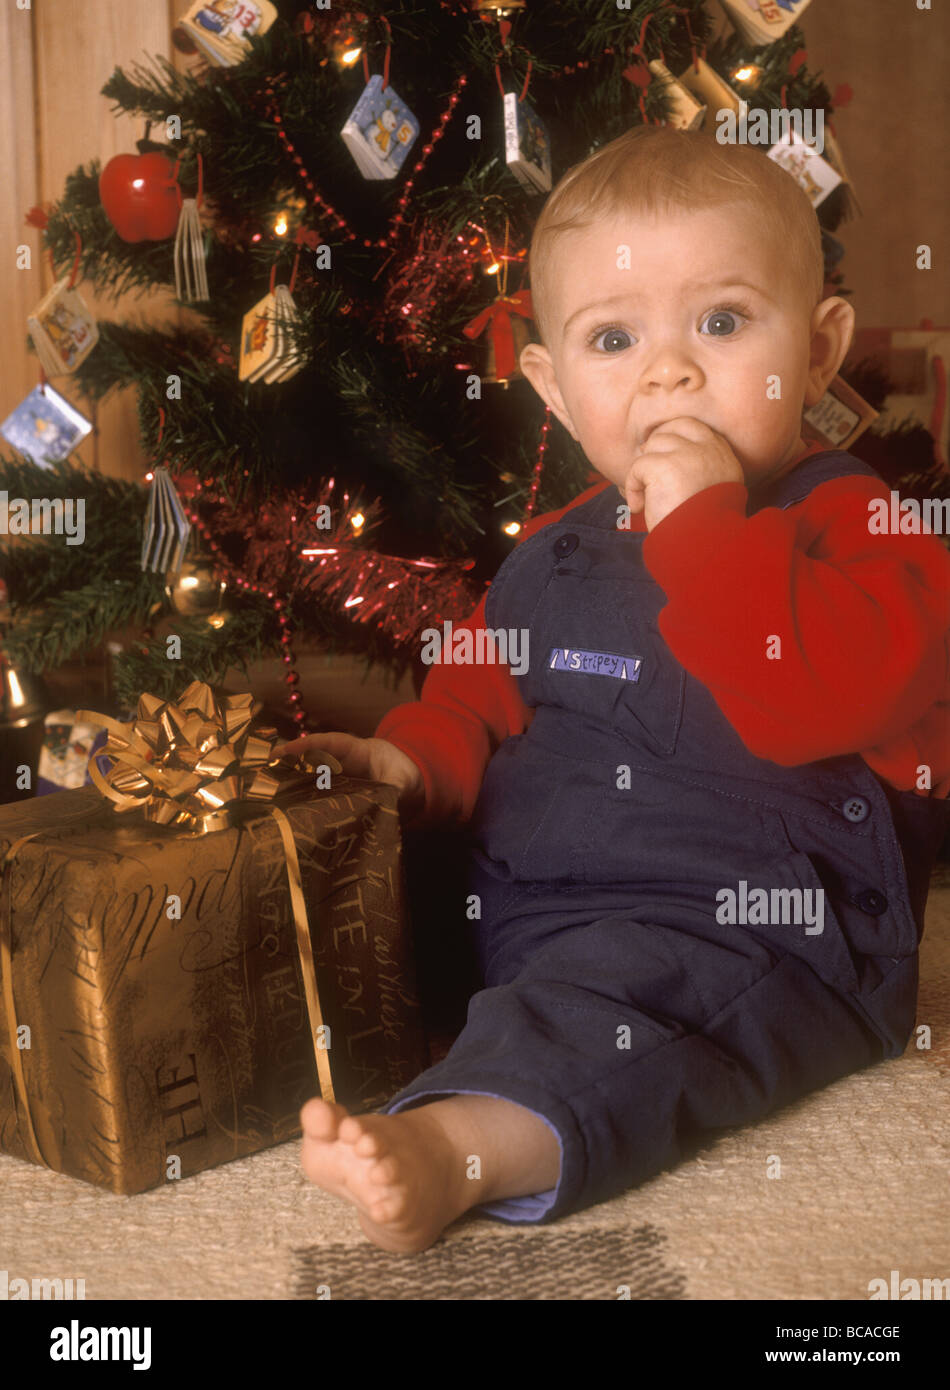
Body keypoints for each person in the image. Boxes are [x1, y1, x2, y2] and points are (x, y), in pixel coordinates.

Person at [274, 126, 950, 1253]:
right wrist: (409, 760)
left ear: (820, 347)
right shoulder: (553, 549)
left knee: (620, 1012)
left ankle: (468, 1144)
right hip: (532, 884)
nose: (667, 370)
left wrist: (701, 531)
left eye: (722, 323)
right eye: (612, 338)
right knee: (368, 921)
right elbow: (476, 698)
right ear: (550, 385)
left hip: (757, 918)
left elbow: (814, 693)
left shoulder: (868, 528)